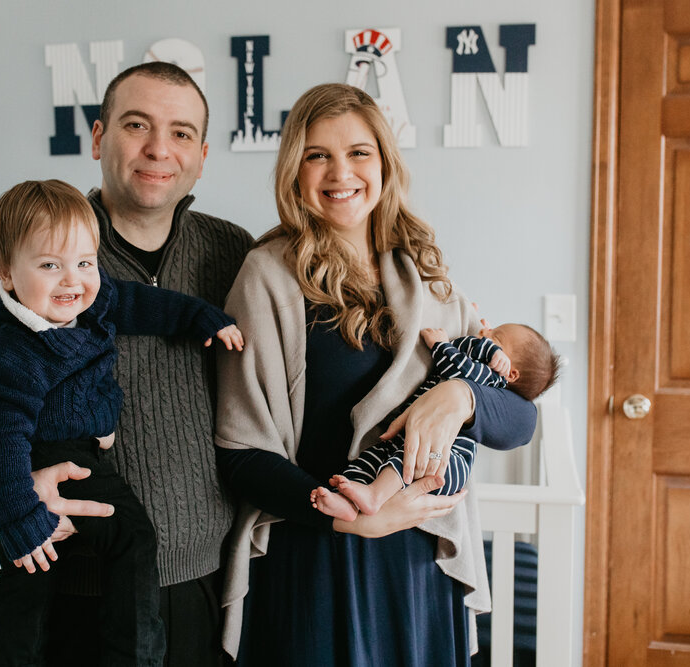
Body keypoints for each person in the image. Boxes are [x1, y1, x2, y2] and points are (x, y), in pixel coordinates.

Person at [0, 62, 253, 666]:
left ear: (202, 154)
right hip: (68, 587)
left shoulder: (232, 252)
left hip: (204, 584)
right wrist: (4, 500)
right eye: (136, 124)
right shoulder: (27, 257)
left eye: (181, 133)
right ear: (97, 137)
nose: (158, 149)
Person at [214, 83, 538, 666]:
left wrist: (461, 394)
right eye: (318, 155)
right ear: (295, 168)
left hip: (417, 568)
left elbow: (517, 421)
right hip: (316, 553)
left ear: (385, 162)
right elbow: (240, 451)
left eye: (359, 152)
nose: (341, 172)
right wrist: (345, 519)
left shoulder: (427, 275)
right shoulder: (266, 276)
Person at [0, 179, 243, 665]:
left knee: (34, 573)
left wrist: (201, 317)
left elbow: (143, 304)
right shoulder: (9, 349)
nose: (72, 281)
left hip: (77, 449)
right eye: (50, 265)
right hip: (50, 456)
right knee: (103, 545)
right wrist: (18, 515)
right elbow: (1, 438)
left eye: (85, 263)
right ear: (6, 271)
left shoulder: (89, 300)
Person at [312, 323, 560, 521]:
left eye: (497, 337)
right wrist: (489, 341)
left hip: (448, 462)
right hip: (404, 441)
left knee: (408, 461)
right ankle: (345, 504)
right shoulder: (483, 357)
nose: (485, 330)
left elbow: (457, 368)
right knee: (372, 458)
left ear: (511, 373)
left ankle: (375, 496)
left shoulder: (491, 376)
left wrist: (442, 345)